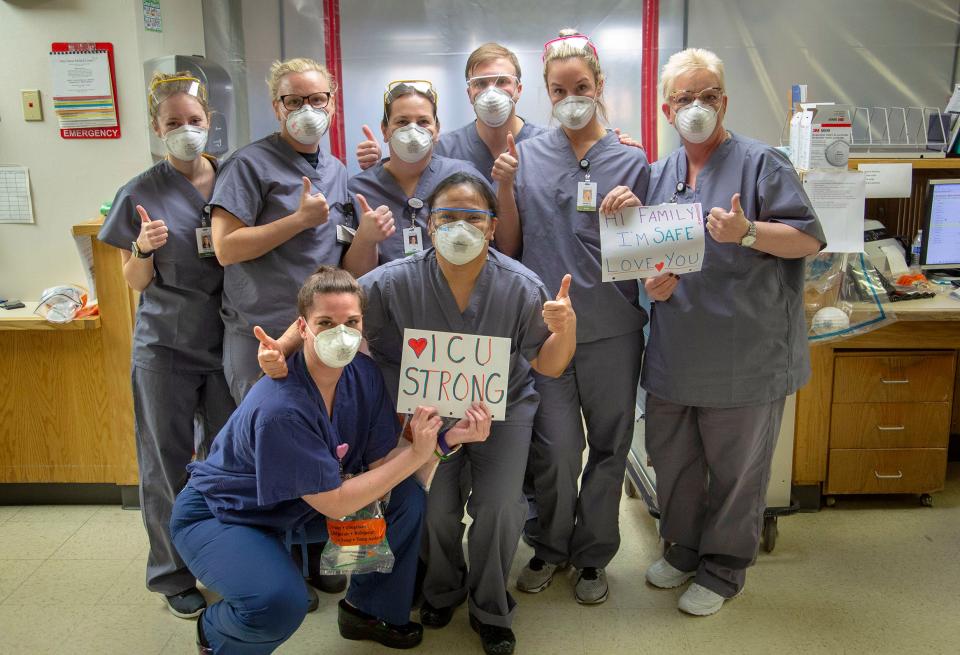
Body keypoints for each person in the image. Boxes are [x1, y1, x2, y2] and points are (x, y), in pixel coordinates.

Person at [258, 172, 577, 655]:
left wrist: (566, 329)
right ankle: (442, 589)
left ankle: (490, 606)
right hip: (422, 415)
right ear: (429, 225)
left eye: (474, 218)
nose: (461, 228)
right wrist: (280, 351)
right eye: (448, 217)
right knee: (436, 509)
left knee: (498, 507)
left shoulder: (519, 285)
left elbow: (550, 364)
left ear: (493, 228)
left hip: (500, 413)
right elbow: (330, 306)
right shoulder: (394, 281)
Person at [171, 267, 493, 653]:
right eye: (325, 322)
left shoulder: (363, 374)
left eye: (351, 321)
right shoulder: (282, 408)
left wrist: (446, 439)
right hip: (224, 514)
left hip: (294, 507)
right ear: (302, 328)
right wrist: (419, 453)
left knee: (406, 499)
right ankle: (217, 633)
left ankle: (367, 610)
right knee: (278, 604)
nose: (341, 334)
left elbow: (380, 467)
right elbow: (337, 502)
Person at [640, 48, 825, 616]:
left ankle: (723, 567)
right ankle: (685, 546)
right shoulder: (660, 174)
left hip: (746, 352)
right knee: (674, 461)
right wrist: (653, 286)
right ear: (668, 110)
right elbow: (651, 258)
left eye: (708, 95)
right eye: (684, 98)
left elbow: (808, 240)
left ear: (724, 101)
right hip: (677, 350)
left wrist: (747, 233)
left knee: (737, 470)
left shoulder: (761, 163)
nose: (697, 106)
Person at [493, 30, 650, 605]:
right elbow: (509, 244)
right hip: (547, 331)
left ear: (600, 86)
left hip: (613, 329)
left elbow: (646, 255)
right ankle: (550, 545)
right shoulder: (526, 155)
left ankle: (592, 556)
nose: (571, 97)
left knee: (610, 447)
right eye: (559, 89)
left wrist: (633, 215)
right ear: (546, 93)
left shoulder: (633, 159)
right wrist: (505, 189)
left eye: (581, 87)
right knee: (555, 449)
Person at [97, 72, 235, 619]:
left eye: (194, 122)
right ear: (157, 130)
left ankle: (227, 559)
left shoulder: (234, 177)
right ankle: (172, 573)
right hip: (165, 348)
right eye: (174, 123)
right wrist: (144, 247)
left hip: (227, 345)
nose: (186, 131)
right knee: (166, 462)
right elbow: (133, 281)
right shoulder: (141, 191)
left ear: (210, 124)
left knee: (229, 460)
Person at [209, 57, 393, 404]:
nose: (306, 109)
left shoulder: (336, 170)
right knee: (267, 435)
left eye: (316, 99)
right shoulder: (247, 165)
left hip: (320, 333)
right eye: (294, 101)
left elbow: (343, 265)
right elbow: (225, 248)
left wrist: (367, 235)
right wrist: (297, 220)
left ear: (332, 104)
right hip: (262, 331)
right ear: (277, 108)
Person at [356, 44, 545, 183]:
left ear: (518, 89)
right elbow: (406, 178)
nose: (491, 92)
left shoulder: (543, 145)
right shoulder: (445, 149)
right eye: (480, 83)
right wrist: (382, 163)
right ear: (469, 93)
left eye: (502, 81)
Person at [348, 80, 490, 264]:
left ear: (436, 130)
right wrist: (365, 240)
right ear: (385, 130)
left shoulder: (464, 178)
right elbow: (353, 278)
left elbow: (490, 250)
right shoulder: (360, 190)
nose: (413, 130)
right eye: (402, 122)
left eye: (423, 122)